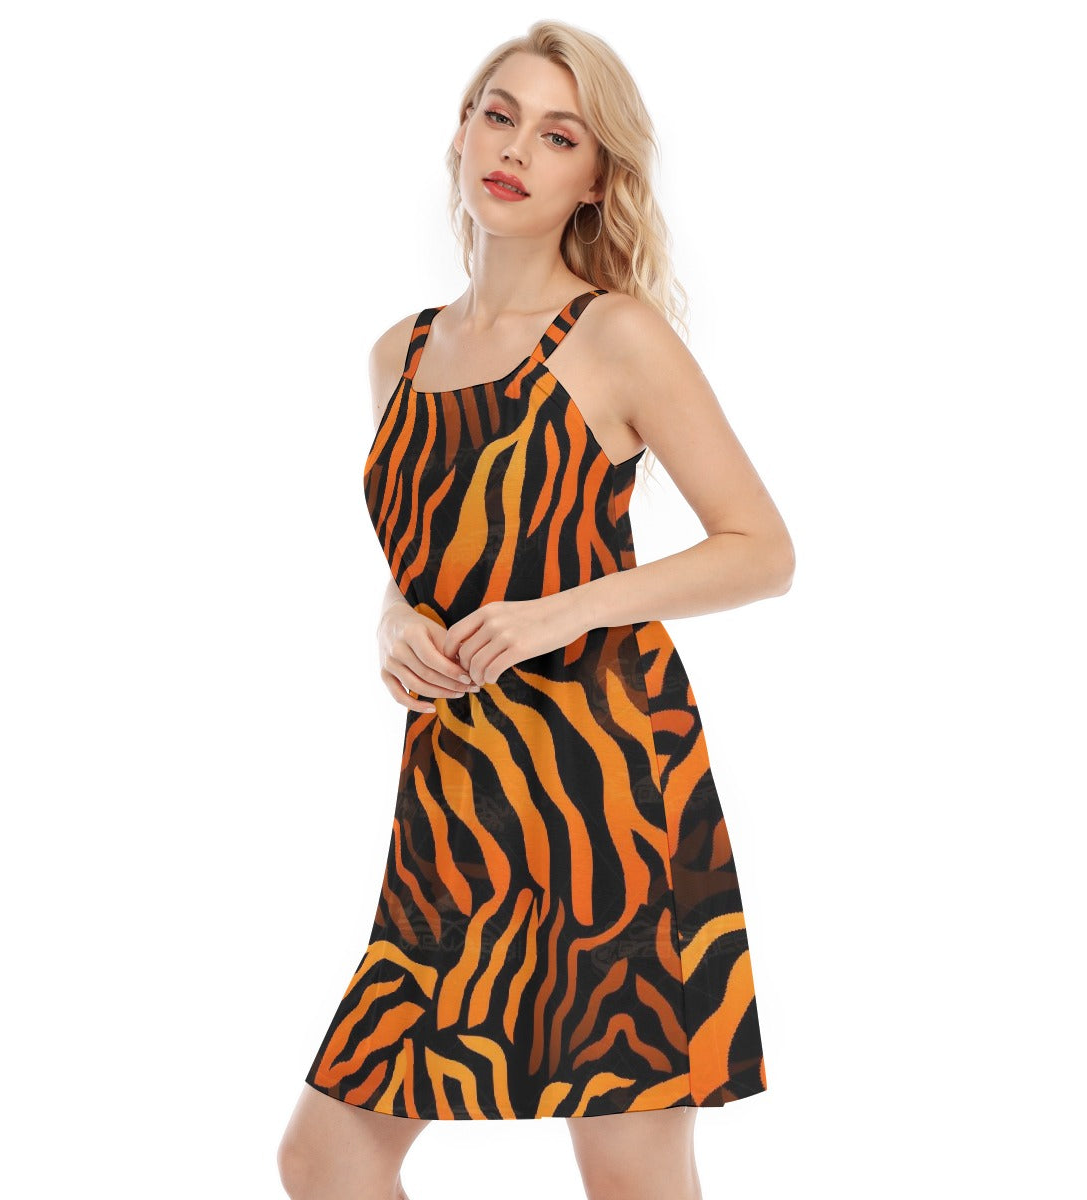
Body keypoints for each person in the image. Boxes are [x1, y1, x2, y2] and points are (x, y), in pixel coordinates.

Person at [278, 19, 795, 1200]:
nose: (516, 149)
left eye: (559, 136)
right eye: (499, 116)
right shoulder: (399, 355)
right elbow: (430, 554)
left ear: (595, 178)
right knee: (327, 1154)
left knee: (628, 1170)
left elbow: (762, 551)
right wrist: (392, 621)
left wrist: (565, 612)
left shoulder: (615, 336)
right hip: (455, 794)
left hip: (605, 793)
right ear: (461, 133)